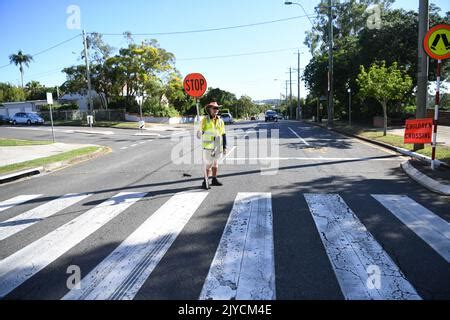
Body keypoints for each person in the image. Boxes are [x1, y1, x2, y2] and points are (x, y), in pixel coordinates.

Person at [197, 101, 227, 189]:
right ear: (209, 109)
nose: (216, 110)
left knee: (215, 163)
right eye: (214, 108)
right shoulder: (205, 120)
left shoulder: (220, 121)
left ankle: (214, 179)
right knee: (209, 165)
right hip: (208, 146)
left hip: (218, 145)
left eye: (217, 108)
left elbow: (223, 134)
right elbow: (199, 133)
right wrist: (199, 132)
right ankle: (205, 181)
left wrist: (225, 146)